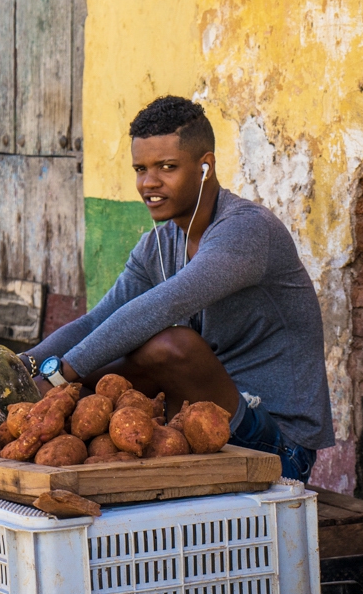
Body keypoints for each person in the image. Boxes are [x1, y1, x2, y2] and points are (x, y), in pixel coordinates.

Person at [24, 95, 333, 481]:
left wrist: (60, 375)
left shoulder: (247, 230)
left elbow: (166, 304)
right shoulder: (157, 244)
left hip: (277, 445)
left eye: (166, 167)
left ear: (206, 167)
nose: (149, 183)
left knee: (170, 346)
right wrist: (25, 366)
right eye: (140, 169)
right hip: (198, 422)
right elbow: (96, 321)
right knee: (98, 372)